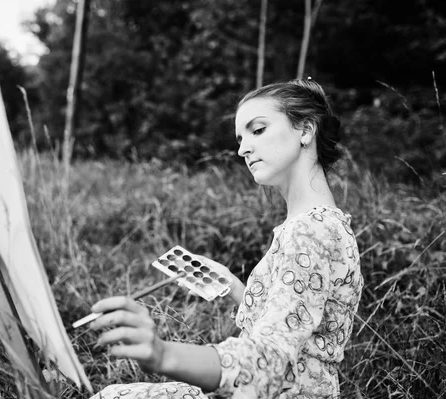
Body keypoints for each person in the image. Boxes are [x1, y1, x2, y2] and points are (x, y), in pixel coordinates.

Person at [88, 79, 364, 399]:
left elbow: (268, 362)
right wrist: (232, 285)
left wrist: (162, 353)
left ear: (305, 130)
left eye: (257, 130)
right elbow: (293, 323)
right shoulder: (320, 224)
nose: (242, 148)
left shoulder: (309, 232)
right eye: (240, 137)